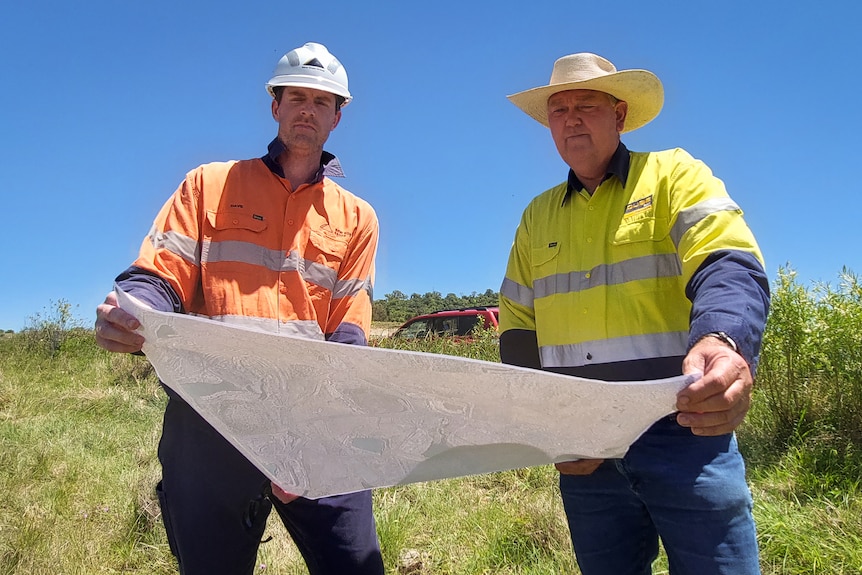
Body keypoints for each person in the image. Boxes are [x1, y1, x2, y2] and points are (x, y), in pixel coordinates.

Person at [94, 42, 384, 575]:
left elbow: (348, 330)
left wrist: (316, 428)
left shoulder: (357, 218)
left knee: (355, 565)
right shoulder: (209, 185)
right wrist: (133, 314)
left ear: (338, 117)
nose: (307, 110)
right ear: (274, 105)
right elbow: (160, 275)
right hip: (211, 413)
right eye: (296, 97)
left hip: (310, 417)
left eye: (322, 102)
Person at [499, 52, 770, 574]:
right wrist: (544, 425)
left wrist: (724, 337)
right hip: (583, 448)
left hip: (686, 430)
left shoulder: (673, 175)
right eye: (559, 109)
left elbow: (728, 260)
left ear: (620, 115)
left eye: (587, 104)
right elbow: (516, 322)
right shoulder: (536, 216)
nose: (571, 117)